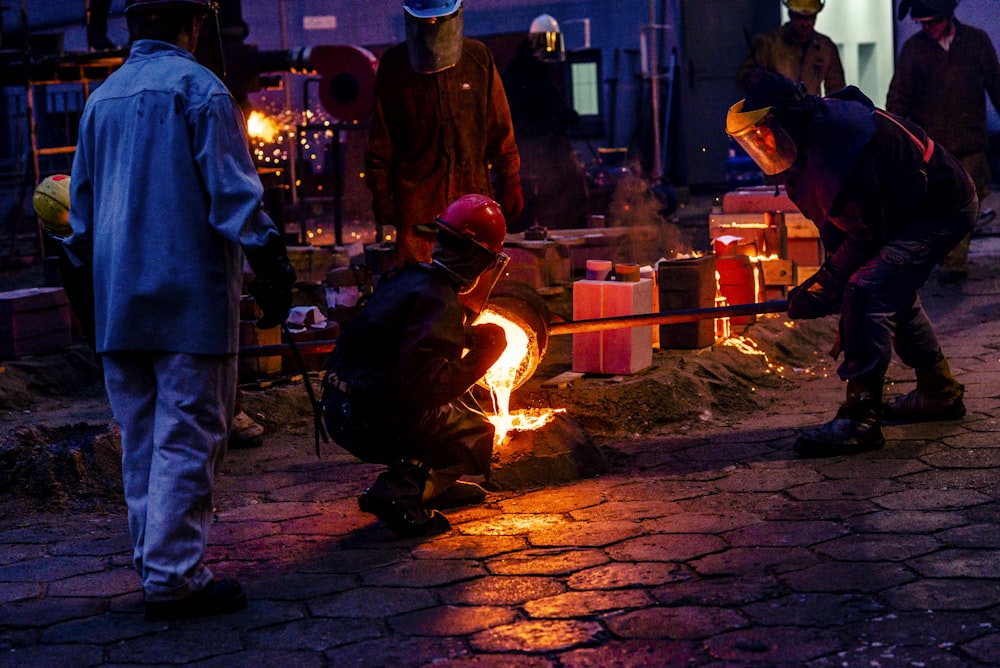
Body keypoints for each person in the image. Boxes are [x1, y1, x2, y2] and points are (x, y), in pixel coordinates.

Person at [64, 0, 295, 620]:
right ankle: (173, 579)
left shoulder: (101, 100)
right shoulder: (200, 89)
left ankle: (153, 560)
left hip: (119, 305)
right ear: (189, 23)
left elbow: (77, 221)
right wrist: (273, 261)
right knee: (188, 437)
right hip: (187, 302)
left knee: (142, 439)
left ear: (134, 25)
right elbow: (233, 196)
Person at [726, 72, 977, 457]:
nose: (761, 143)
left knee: (869, 288)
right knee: (888, 290)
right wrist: (833, 288)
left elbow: (866, 238)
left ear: (786, 119)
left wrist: (829, 288)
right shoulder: (807, 144)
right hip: (903, 211)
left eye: (764, 132)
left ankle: (860, 416)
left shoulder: (844, 148)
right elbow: (836, 231)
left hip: (942, 208)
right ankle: (938, 391)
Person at [322, 194, 509, 537]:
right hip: (363, 419)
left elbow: (397, 340)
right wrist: (484, 356)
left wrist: (464, 337)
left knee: (456, 406)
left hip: (340, 406)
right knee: (474, 428)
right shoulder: (440, 300)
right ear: (476, 257)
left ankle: (432, 485)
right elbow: (428, 389)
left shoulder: (408, 279)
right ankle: (401, 493)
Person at [364, 0, 523, 266]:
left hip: (473, 210)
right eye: (426, 24)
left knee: (473, 297)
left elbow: (500, 129)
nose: (433, 31)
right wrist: (381, 194)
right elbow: (381, 143)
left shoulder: (478, 59)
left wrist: (510, 179)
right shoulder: (394, 67)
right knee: (419, 295)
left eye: (439, 22)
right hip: (418, 214)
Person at [886, 0, 1000, 283]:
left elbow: (997, 86)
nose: (928, 28)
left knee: (968, 202)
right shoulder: (914, 50)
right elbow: (899, 96)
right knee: (937, 205)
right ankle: (942, 256)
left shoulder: (976, 42)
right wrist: (889, 135)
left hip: (971, 141)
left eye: (932, 22)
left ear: (947, 16)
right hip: (932, 146)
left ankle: (954, 262)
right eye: (922, 24)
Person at [501, 14, 589, 233]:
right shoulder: (520, 74)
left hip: (547, 146)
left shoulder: (539, 70)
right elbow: (527, 111)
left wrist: (565, 114)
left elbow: (550, 101)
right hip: (531, 150)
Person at [737, 0, 846, 96]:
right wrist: (754, 79)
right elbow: (744, 79)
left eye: (810, 17)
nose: (805, 23)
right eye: (800, 17)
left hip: (812, 116)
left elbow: (837, 90)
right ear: (790, 14)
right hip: (778, 116)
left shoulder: (825, 47)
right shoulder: (769, 43)